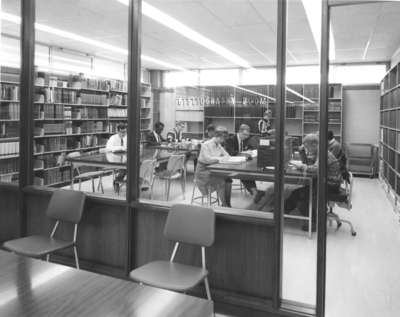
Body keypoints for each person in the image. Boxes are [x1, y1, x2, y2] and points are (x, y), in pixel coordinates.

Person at [284, 134, 343, 232]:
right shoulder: (320, 152)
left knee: (305, 196)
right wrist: (302, 153)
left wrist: (303, 167)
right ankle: (282, 214)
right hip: (326, 182)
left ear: (315, 145)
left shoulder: (323, 154)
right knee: (297, 194)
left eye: (307, 147)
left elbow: (315, 169)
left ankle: (314, 224)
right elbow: (309, 164)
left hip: (330, 184)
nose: (307, 150)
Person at [194, 126, 230, 206]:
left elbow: (227, 155)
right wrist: (220, 159)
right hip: (202, 172)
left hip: (212, 169)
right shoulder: (206, 145)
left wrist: (224, 158)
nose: (223, 141)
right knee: (221, 181)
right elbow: (208, 159)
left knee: (227, 179)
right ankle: (225, 205)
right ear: (218, 137)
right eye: (223, 139)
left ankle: (226, 204)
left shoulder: (218, 144)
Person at [224, 124, 258, 206]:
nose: (246, 137)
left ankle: (254, 192)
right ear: (239, 132)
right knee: (244, 173)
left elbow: (251, 148)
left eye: (247, 135)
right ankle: (254, 192)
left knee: (247, 172)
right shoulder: (230, 140)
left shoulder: (245, 140)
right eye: (245, 135)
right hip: (230, 165)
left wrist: (250, 151)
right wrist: (244, 153)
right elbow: (231, 153)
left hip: (240, 164)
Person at [106, 123, 127, 192]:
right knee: (126, 167)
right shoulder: (113, 138)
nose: (124, 134)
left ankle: (118, 181)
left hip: (124, 157)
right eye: (122, 132)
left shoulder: (126, 137)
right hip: (113, 159)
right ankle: (117, 181)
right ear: (117, 131)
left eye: (125, 132)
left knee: (132, 166)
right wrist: (121, 148)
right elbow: (109, 148)